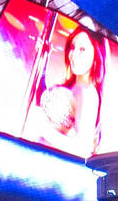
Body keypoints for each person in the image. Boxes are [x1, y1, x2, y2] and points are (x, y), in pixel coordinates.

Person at [31, 24, 105, 158]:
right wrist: (42, 61)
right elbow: (44, 103)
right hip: (38, 153)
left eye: (82, 49)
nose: (74, 55)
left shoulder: (87, 93)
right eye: (72, 47)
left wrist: (42, 129)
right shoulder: (74, 86)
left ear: (96, 56)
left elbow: (83, 149)